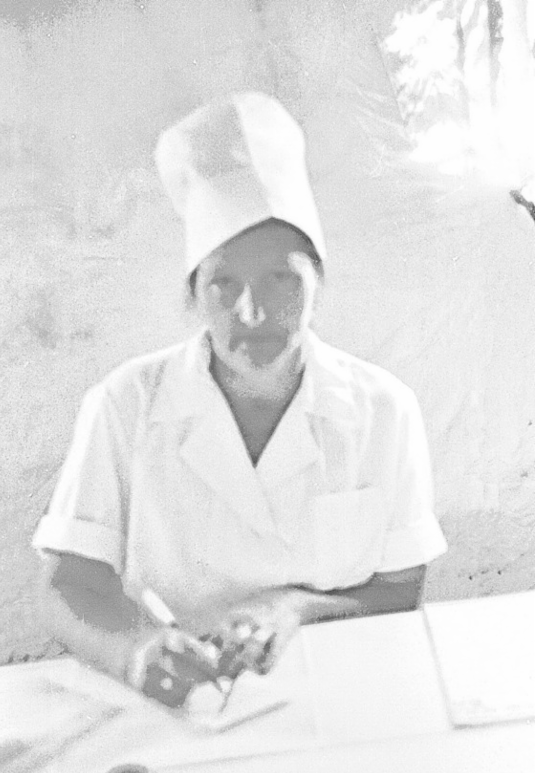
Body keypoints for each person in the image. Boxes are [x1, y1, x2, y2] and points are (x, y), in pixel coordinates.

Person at [33, 92, 447, 709]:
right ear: (193, 292)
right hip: (181, 700)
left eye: (281, 279)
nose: (252, 313)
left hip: (343, 695)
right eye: (225, 283)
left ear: (318, 282)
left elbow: (400, 587)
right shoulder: (126, 405)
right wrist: (137, 650)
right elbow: (68, 582)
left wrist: (295, 607)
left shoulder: (383, 410)